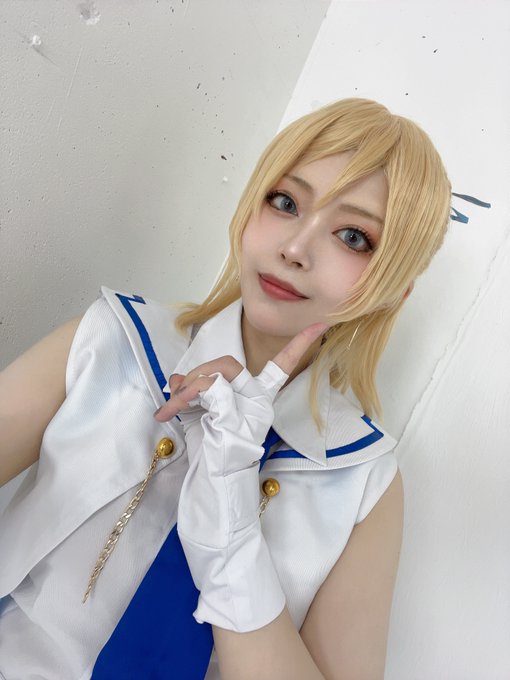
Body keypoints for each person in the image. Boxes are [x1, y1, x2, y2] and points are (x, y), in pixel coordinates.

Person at [0, 97, 451, 679]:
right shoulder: (113, 343)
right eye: (284, 202)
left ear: (392, 291)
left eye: (352, 236)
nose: (295, 248)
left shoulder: (361, 478)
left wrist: (232, 534)